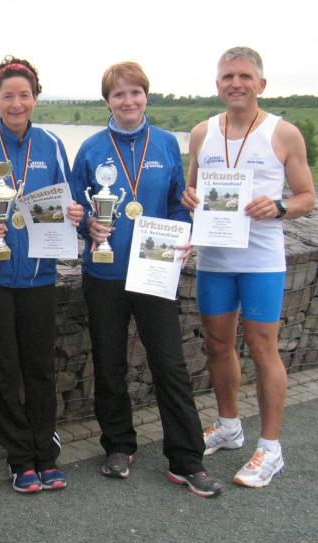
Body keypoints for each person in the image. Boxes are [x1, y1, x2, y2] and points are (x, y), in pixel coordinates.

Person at [71, 62, 222, 498]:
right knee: (109, 363)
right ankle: (118, 446)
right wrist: (86, 226)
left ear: (146, 96)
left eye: (134, 92)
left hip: (155, 270)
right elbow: (76, 209)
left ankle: (186, 460)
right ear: (107, 101)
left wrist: (182, 233)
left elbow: (177, 203)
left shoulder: (166, 143)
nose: (128, 100)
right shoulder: (91, 149)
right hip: (104, 273)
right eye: (118, 94)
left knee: (170, 364)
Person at [181, 47, 315, 488]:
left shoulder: (283, 133)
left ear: (261, 83)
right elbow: (191, 191)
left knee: (262, 349)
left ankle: (270, 448)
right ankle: (229, 426)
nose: (235, 83)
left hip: (261, 261)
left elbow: (307, 197)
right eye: (227, 76)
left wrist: (279, 206)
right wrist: (189, 198)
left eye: (244, 76)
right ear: (217, 84)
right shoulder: (202, 133)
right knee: (218, 345)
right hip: (215, 260)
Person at [0, 57, 84, 494]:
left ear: (35, 98)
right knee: (2, 370)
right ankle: (20, 459)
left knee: (39, 368)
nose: (16, 103)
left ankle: (45, 453)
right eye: (7, 96)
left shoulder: (51, 143)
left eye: (24, 95)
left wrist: (76, 213)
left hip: (38, 274)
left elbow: (70, 201)